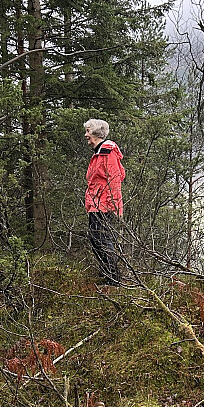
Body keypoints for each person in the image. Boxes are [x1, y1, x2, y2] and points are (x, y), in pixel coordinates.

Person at [84, 118, 125, 286]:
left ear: (95, 134)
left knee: (100, 238)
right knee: (95, 238)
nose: (86, 135)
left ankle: (113, 278)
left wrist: (114, 206)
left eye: (88, 131)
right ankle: (108, 273)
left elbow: (114, 180)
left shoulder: (107, 153)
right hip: (96, 204)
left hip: (104, 205)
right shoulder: (99, 152)